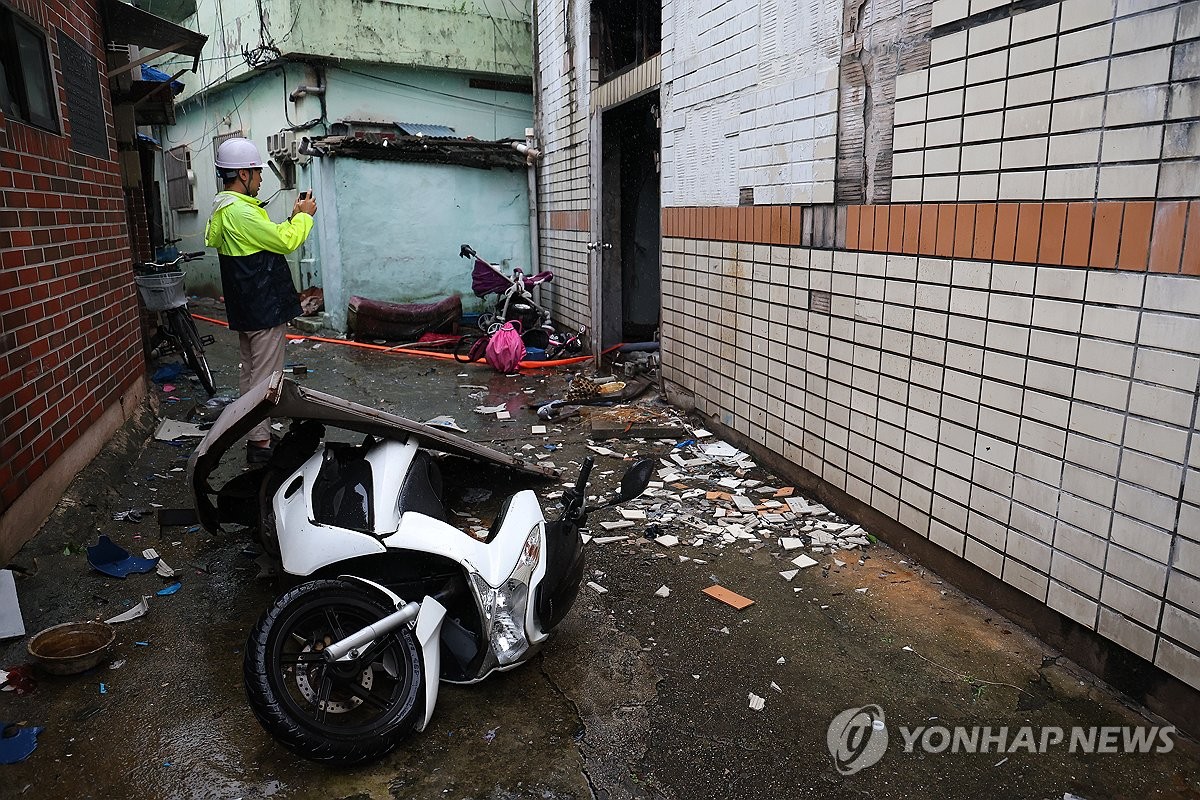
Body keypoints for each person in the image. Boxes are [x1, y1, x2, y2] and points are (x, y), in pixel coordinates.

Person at [204, 137, 317, 464]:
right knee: (266, 378)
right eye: (256, 171)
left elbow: (262, 242)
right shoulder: (241, 211)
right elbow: (285, 241)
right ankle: (261, 445)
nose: (261, 178)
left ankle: (256, 434)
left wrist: (293, 217)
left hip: (247, 307)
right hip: (264, 306)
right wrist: (304, 217)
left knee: (252, 372)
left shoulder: (224, 208)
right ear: (242, 174)